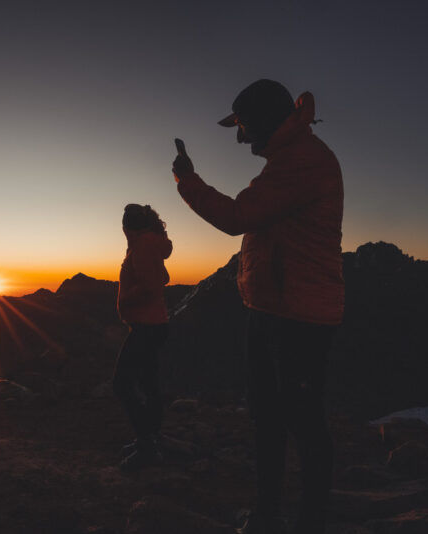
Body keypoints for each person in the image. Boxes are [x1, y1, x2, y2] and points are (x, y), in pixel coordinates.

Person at [172, 80, 344, 534]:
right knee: (269, 415)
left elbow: (236, 218)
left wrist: (186, 181)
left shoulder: (303, 162)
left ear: (267, 121)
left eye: (244, 126)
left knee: (301, 421)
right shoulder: (288, 160)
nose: (240, 136)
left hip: (299, 317)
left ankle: (309, 522)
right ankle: (268, 514)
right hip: (274, 309)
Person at [113, 204, 173, 471]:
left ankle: (147, 444)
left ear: (128, 228)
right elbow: (163, 276)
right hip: (154, 323)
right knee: (149, 384)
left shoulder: (143, 245)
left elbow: (151, 285)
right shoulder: (150, 243)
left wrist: (125, 299)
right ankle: (150, 440)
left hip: (147, 326)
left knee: (122, 384)